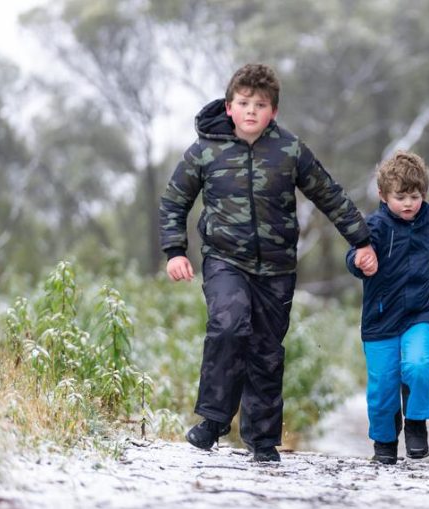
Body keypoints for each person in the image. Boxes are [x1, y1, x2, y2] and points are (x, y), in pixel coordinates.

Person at [158, 63, 378, 463]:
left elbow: (328, 194)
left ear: (273, 111)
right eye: (243, 103)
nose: (251, 111)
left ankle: (261, 439)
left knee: (265, 348)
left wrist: (361, 240)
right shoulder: (205, 150)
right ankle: (213, 419)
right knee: (228, 325)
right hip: (225, 260)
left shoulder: (289, 150)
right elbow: (175, 201)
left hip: (276, 269)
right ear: (229, 106)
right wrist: (175, 251)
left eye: (260, 105)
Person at [345, 150, 429, 465]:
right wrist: (360, 261)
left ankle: (415, 422)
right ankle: (384, 443)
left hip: (420, 312)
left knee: (419, 365)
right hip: (381, 317)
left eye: (415, 196)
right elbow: (354, 254)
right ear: (383, 196)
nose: (408, 203)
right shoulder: (374, 226)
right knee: (383, 388)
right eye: (400, 197)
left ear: (423, 194)